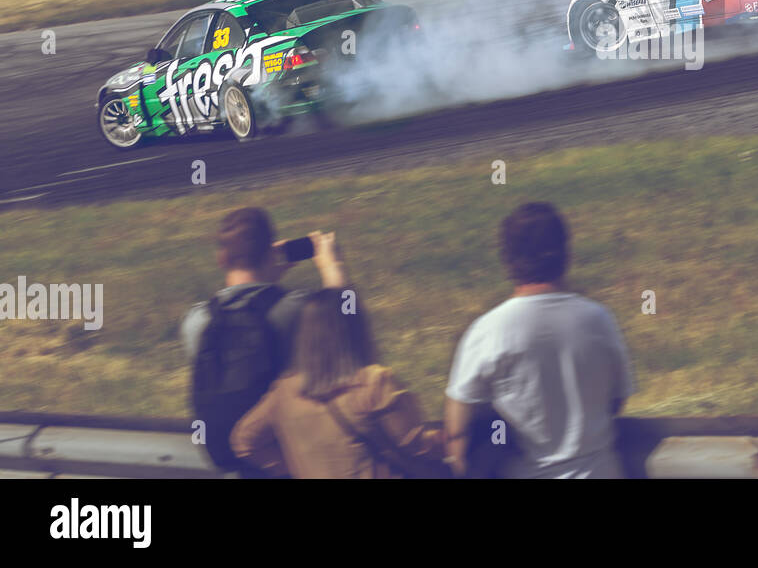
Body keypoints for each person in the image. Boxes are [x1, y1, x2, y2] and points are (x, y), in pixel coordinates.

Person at [444, 202, 636, 478]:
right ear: (565, 254)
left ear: (507, 260)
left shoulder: (487, 331)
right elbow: (615, 402)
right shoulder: (599, 319)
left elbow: (457, 433)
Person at [180, 207, 348, 473]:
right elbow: (346, 326)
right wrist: (332, 266)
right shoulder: (294, 310)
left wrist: (268, 271)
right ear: (271, 253)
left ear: (221, 258)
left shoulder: (197, 321)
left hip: (229, 459)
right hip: (288, 460)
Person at [231, 290, 447, 478]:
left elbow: (244, 441)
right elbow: (418, 448)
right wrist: (452, 436)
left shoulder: (284, 392)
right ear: (357, 332)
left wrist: (294, 467)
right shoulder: (375, 383)